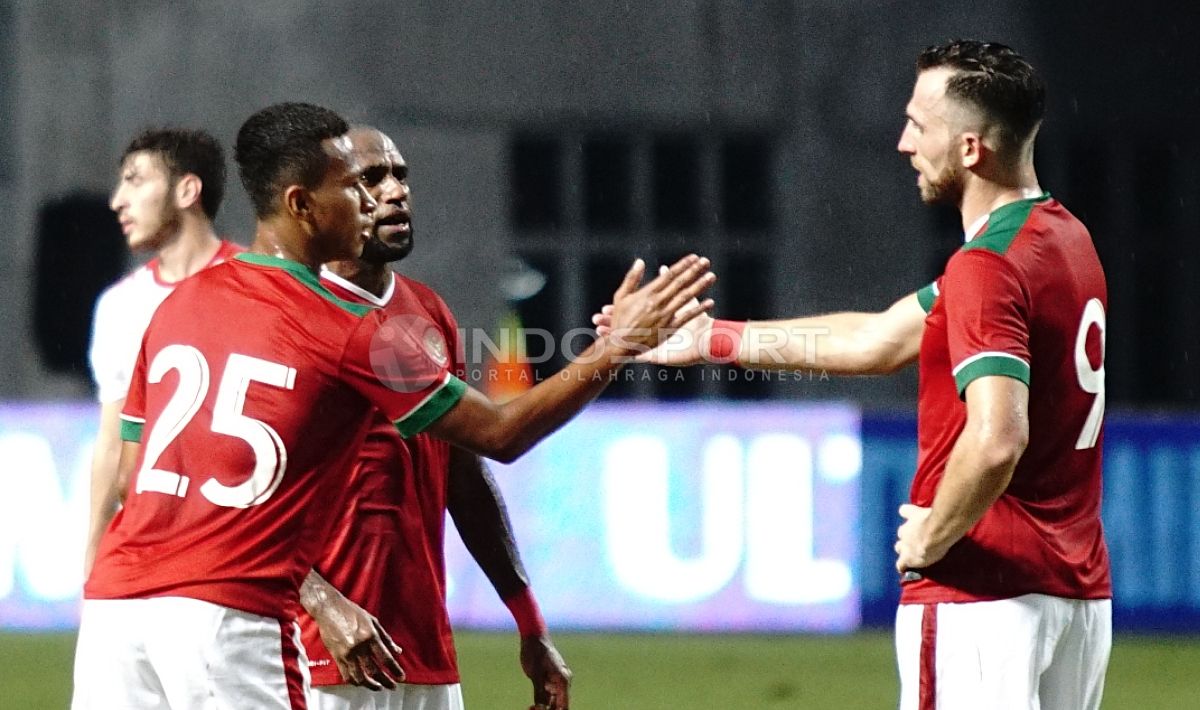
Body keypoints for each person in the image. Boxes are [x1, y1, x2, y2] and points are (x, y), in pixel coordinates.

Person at [72, 102, 714, 710]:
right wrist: (618, 345)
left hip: (120, 603)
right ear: (302, 205)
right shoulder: (346, 327)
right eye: (356, 184)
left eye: (389, 178)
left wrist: (526, 619)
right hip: (236, 612)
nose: (379, 198)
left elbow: (137, 476)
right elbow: (499, 433)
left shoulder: (178, 304)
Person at [595, 40, 1111, 709]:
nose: (903, 143)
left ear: (971, 149)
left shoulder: (987, 265)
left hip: (980, 597)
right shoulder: (1063, 238)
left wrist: (934, 532)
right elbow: (880, 337)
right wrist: (715, 339)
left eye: (919, 126)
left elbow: (997, 438)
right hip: (1075, 599)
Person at [299, 126, 571, 710]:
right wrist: (323, 605)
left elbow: (464, 477)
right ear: (318, 204)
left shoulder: (428, 312)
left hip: (424, 657)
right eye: (370, 178)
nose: (395, 191)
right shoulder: (294, 316)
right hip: (321, 656)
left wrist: (529, 623)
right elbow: (239, 498)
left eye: (400, 175)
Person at [84, 128, 241, 575]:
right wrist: (94, 559)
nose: (117, 200)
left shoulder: (259, 287)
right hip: (152, 552)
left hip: (240, 551)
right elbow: (113, 440)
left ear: (187, 189)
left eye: (134, 180)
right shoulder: (120, 306)